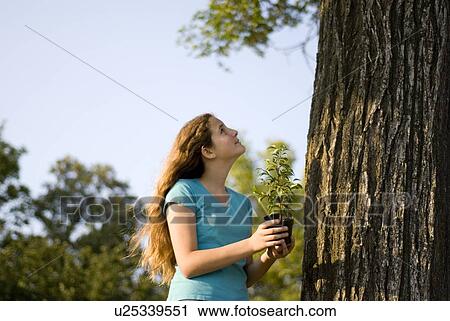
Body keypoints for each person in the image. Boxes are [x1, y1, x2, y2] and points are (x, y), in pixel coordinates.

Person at [129, 113, 295, 301]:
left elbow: (245, 277)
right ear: (208, 151)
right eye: (222, 130)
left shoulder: (242, 203)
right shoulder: (184, 191)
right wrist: (251, 244)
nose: (234, 132)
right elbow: (188, 264)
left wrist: (269, 254)